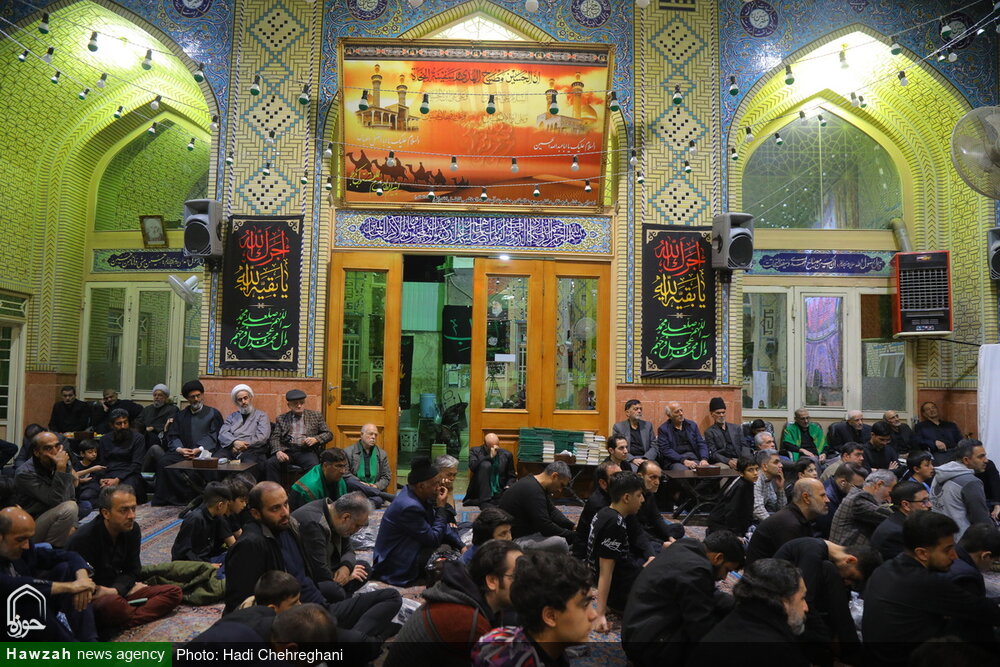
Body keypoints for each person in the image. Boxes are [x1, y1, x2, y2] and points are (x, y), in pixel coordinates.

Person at [223, 481, 402, 642]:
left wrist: (346, 568)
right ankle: (349, 640)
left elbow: (315, 572)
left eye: (286, 504)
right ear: (256, 513)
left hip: (318, 602)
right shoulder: (251, 545)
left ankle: (345, 637)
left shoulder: (287, 527)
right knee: (365, 638)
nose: (285, 512)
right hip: (300, 619)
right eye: (275, 508)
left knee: (391, 596)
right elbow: (241, 605)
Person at [862, 511, 1000, 666]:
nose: (954, 556)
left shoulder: (885, 569)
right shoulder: (926, 582)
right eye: (947, 550)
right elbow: (987, 612)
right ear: (922, 553)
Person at [67, 485, 182, 636]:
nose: (132, 516)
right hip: (94, 597)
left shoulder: (132, 530)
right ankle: (121, 614)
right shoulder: (83, 539)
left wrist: (117, 590)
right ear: (106, 513)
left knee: (174, 592)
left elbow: (133, 570)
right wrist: (114, 592)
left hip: (117, 590)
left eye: (133, 509)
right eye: (124, 510)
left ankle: (122, 620)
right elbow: (77, 586)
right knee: (112, 605)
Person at [386, 540, 523, 667]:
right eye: (516, 576)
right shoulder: (468, 623)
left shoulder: (463, 594)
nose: (524, 582)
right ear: (492, 581)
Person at [622, 531, 744, 667]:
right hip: (649, 647)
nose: (724, 577)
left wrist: (739, 604)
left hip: (636, 631)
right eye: (727, 570)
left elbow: (706, 592)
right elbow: (700, 627)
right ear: (718, 558)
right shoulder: (697, 570)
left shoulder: (686, 546)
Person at [472, 551, 595, 667]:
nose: (593, 615)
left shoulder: (547, 650)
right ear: (550, 616)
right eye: (584, 605)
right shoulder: (512, 661)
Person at [772, 537, 881, 666]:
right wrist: (826, 639)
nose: (847, 582)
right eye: (851, 577)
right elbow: (806, 601)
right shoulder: (813, 552)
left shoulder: (818, 552)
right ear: (850, 560)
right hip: (781, 608)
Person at [689, 558, 810, 667]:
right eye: (802, 598)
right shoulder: (779, 652)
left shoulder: (728, 626)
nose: (806, 607)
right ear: (784, 600)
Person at [0, 506, 97, 641]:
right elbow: (9, 585)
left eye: (28, 539)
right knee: (29, 599)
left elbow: (69, 556)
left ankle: (90, 642)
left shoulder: (23, 548)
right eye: (20, 539)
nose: (26, 546)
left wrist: (82, 580)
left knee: (67, 569)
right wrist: (70, 586)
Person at [372, 457, 464, 586]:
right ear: (421, 486)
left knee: (458, 534)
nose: (439, 488)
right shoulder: (409, 506)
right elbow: (434, 539)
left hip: (409, 545)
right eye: (435, 484)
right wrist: (441, 508)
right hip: (397, 561)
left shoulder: (418, 494)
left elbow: (437, 524)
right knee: (447, 557)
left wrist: (461, 545)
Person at [587, 471, 648, 632]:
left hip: (622, 582)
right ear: (626, 498)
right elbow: (605, 572)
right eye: (639, 495)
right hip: (622, 593)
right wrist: (600, 613)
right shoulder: (614, 523)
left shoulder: (604, 513)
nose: (642, 500)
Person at [292, 491, 372, 604]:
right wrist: (347, 578)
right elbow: (319, 572)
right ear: (346, 517)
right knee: (334, 591)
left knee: (364, 569)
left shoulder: (335, 514)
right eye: (357, 526)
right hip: (309, 576)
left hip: (331, 567)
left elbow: (348, 549)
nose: (357, 530)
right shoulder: (314, 524)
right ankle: (341, 604)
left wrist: (346, 568)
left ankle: (342, 600)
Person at [153, 380, 224, 506]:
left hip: (205, 452)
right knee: (164, 461)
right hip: (184, 453)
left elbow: (214, 435)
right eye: (192, 397)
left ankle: (197, 497)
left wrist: (199, 449)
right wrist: (180, 449)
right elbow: (173, 435)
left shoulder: (213, 413)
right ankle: (175, 499)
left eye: (198, 395)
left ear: (202, 395)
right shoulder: (181, 415)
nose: (196, 399)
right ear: (187, 398)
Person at [14, 430, 78, 546]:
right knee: (70, 508)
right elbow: (55, 501)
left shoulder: (63, 463)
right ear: (37, 452)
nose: (55, 452)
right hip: (32, 523)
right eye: (48, 448)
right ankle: (50, 551)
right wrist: (60, 470)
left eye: (57, 446)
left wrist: (74, 525)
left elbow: (71, 496)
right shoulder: (25, 473)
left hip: (55, 517)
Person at [746, 478, 829, 563]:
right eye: (822, 495)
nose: (827, 500)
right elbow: (792, 565)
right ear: (806, 498)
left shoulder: (797, 518)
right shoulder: (789, 524)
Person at [500, 460, 576, 553]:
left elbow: (552, 511)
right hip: (515, 540)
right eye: (561, 485)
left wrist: (572, 526)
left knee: (563, 537)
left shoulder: (534, 483)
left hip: (528, 532)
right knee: (560, 543)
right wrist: (573, 536)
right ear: (554, 476)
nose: (560, 490)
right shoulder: (533, 491)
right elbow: (545, 526)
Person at [931, 438, 999, 539]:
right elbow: (982, 523)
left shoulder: (940, 473)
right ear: (966, 460)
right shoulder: (971, 482)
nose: (986, 460)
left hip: (940, 538)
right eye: (981, 457)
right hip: (963, 542)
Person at [265, 389, 333, 483]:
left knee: (314, 466)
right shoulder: (282, 418)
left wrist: (316, 439)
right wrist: (278, 451)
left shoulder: (316, 416)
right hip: (287, 450)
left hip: (306, 450)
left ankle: (308, 491)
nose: (299, 405)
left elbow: (328, 434)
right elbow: (275, 437)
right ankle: (273, 490)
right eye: (295, 403)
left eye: (301, 402)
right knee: (271, 463)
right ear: (289, 405)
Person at [171, 481, 234, 563]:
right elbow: (182, 552)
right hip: (194, 564)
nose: (227, 508)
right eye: (227, 505)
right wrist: (206, 566)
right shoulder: (195, 519)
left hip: (206, 558)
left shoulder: (216, 516)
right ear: (220, 505)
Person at [829, 469, 895, 547]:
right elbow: (891, 518)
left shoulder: (859, 494)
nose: (890, 498)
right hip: (845, 552)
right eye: (889, 493)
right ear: (879, 485)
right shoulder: (858, 500)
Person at [870, 481, 931, 561]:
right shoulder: (897, 533)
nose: (930, 505)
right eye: (924, 501)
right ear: (906, 505)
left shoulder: (904, 522)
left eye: (928, 500)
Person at [218, 384, 271, 473]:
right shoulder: (232, 417)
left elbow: (262, 436)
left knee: (248, 464)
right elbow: (223, 433)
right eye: (240, 400)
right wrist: (234, 442)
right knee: (217, 460)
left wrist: (242, 445)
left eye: (245, 398)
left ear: (250, 398)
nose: (243, 402)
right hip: (232, 448)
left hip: (253, 450)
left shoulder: (262, 416)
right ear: (236, 402)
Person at [97, 408, 147, 503]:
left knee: (125, 491)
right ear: (112, 425)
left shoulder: (138, 438)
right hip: (110, 473)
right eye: (119, 424)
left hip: (129, 474)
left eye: (125, 422)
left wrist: (117, 479)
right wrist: (102, 479)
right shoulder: (104, 439)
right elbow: (102, 462)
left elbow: (136, 464)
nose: (123, 426)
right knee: (93, 492)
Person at [635, 460, 685, 547]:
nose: (657, 482)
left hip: (649, 528)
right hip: (636, 531)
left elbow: (656, 518)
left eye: (659, 478)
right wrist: (662, 544)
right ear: (640, 476)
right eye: (653, 477)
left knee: (679, 528)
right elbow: (635, 528)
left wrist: (670, 537)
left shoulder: (649, 493)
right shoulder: (633, 494)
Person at [707, 455, 759, 539]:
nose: (755, 473)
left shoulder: (749, 483)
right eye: (750, 470)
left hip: (736, 522)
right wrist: (736, 534)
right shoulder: (740, 486)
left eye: (756, 469)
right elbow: (731, 511)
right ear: (741, 473)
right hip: (721, 523)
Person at [816, 462, 867, 539]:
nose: (861, 491)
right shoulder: (828, 500)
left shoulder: (838, 489)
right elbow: (830, 531)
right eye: (858, 487)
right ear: (843, 482)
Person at [948, 522, 1000, 597]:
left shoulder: (947, 555)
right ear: (985, 556)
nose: (991, 566)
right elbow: (977, 603)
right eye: (994, 561)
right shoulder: (969, 577)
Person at [134, 385, 178, 472]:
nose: (157, 397)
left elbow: (171, 424)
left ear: (166, 397)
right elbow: (138, 422)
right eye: (155, 395)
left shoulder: (172, 409)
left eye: (160, 395)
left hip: (161, 437)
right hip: (144, 435)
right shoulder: (147, 409)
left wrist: (154, 428)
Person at [465, 432, 515, 507]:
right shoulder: (475, 451)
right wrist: (489, 457)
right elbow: (473, 467)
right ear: (485, 445)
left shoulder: (507, 455)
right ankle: (485, 500)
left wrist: (508, 485)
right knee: (485, 465)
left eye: (496, 446)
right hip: (480, 492)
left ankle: (488, 501)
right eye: (491, 447)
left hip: (499, 491)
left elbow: (511, 475)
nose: (494, 449)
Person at [656, 401, 710, 471]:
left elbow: (701, 443)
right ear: (669, 415)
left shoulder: (692, 425)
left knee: (707, 471)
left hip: (694, 459)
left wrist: (704, 459)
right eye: (677, 412)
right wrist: (683, 460)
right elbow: (665, 449)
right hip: (675, 461)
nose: (681, 413)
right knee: (684, 473)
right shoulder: (663, 429)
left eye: (681, 410)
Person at [704, 397, 751, 469]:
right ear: (712, 414)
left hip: (740, 459)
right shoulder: (710, 432)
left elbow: (745, 446)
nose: (721, 415)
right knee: (723, 468)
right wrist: (728, 461)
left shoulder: (736, 428)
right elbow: (713, 453)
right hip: (723, 461)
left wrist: (744, 460)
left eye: (723, 412)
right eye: (718, 413)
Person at [344, 423, 392, 493]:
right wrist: (360, 484)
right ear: (361, 434)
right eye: (370, 434)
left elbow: (386, 476)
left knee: (381, 498)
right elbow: (345, 474)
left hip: (374, 491)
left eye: (375, 435)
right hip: (354, 490)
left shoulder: (382, 454)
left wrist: (376, 486)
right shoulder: (348, 452)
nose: (373, 437)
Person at [612, 399, 657, 467]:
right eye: (636, 409)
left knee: (655, 470)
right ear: (627, 412)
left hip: (646, 458)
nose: (639, 411)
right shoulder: (618, 427)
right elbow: (618, 448)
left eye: (640, 409)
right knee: (634, 470)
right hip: (629, 459)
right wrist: (632, 459)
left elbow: (654, 445)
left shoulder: (647, 426)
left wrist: (645, 458)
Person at [752, 448, 786, 521]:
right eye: (776, 462)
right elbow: (757, 509)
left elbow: (779, 508)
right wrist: (773, 524)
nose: (781, 465)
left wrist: (780, 489)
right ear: (765, 466)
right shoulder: (756, 479)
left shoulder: (767, 480)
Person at [72, 439, 103, 515]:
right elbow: (75, 474)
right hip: (80, 487)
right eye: (90, 452)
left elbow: (99, 478)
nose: (94, 454)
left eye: (95, 452)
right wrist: (91, 469)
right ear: (82, 454)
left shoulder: (97, 464)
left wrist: (102, 481)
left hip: (91, 487)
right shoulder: (77, 464)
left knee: (87, 495)